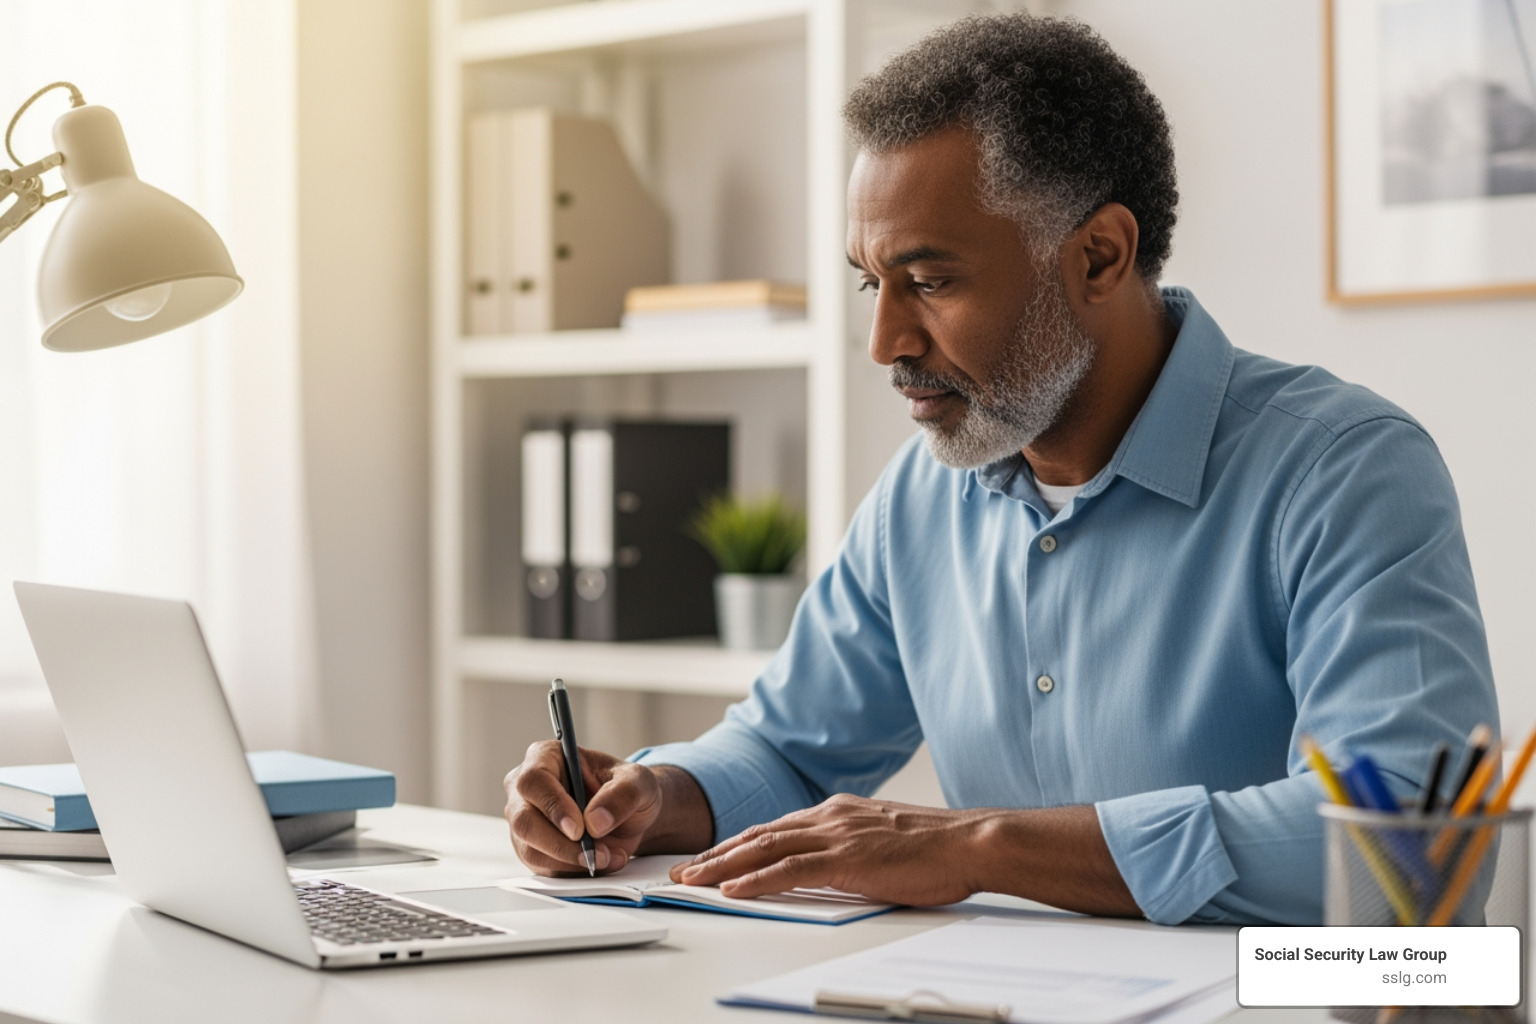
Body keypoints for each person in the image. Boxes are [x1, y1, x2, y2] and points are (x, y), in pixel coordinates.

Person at [503, 13, 1497, 925]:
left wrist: (979, 847)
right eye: (871, 282)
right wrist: (653, 796)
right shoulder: (922, 494)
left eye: (930, 281)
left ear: (1100, 257)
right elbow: (790, 744)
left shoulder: (1344, 471)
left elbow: (1407, 843)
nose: (884, 339)